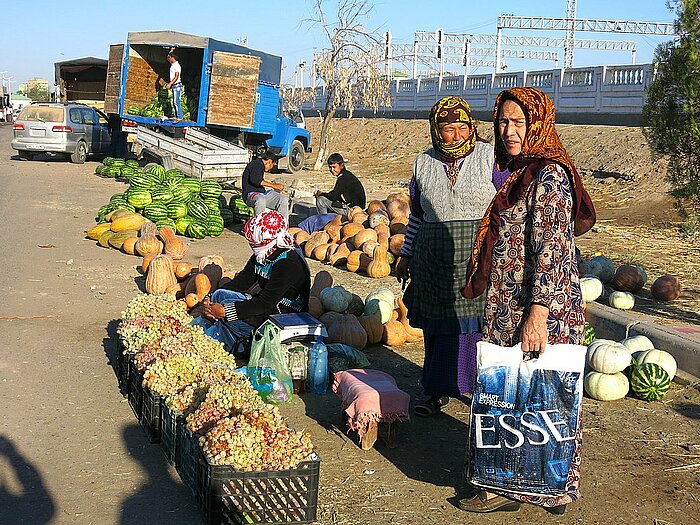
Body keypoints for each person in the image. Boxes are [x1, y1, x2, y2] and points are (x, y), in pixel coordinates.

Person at [459, 88, 596, 514]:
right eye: (502, 122)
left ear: (537, 124)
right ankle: (509, 481)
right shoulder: (522, 172)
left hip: (536, 307)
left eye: (518, 122)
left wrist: (538, 314)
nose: (509, 130)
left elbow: (553, 249)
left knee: (545, 396)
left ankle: (544, 484)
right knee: (512, 395)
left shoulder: (550, 176)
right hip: (510, 303)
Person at [394, 96, 495, 417]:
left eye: (462, 127)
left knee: (474, 325)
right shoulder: (422, 163)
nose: (456, 135)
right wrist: (406, 254)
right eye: (448, 129)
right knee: (438, 327)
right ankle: (437, 391)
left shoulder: (491, 158)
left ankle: (481, 390)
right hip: (433, 258)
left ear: (472, 127)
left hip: (477, 257)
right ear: (436, 131)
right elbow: (418, 215)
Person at [192, 211, 310, 354]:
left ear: (265, 241)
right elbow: (240, 283)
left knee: (230, 316)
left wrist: (226, 312)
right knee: (220, 295)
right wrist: (210, 298)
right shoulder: (265, 253)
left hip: (281, 317)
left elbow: (264, 304)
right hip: (264, 308)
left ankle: (232, 344)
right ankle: (224, 333)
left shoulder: (288, 264)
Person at [241, 150, 289, 220]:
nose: (271, 168)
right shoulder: (256, 164)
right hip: (250, 193)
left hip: (262, 192)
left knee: (283, 199)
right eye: (272, 165)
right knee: (261, 200)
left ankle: (283, 225)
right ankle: (259, 225)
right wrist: (274, 185)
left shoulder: (260, 165)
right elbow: (256, 181)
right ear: (269, 161)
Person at [166, 48, 183, 120]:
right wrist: (171, 51)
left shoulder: (177, 66)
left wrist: (170, 84)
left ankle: (179, 116)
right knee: (174, 101)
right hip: (174, 86)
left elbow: (176, 76)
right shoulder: (172, 64)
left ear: (173, 58)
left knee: (176, 101)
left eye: (170, 58)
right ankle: (176, 116)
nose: (168, 59)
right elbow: (167, 57)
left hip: (177, 86)